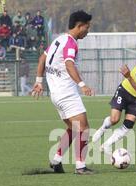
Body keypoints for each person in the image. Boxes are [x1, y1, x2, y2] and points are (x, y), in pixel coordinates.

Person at [31, 10, 94, 175]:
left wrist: (39, 82)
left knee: (73, 128)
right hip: (67, 94)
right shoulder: (71, 43)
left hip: (56, 95)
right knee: (84, 128)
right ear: (79, 26)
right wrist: (82, 84)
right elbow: (69, 64)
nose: (88, 31)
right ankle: (80, 167)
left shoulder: (58, 40)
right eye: (87, 27)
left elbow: (41, 59)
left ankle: (56, 160)